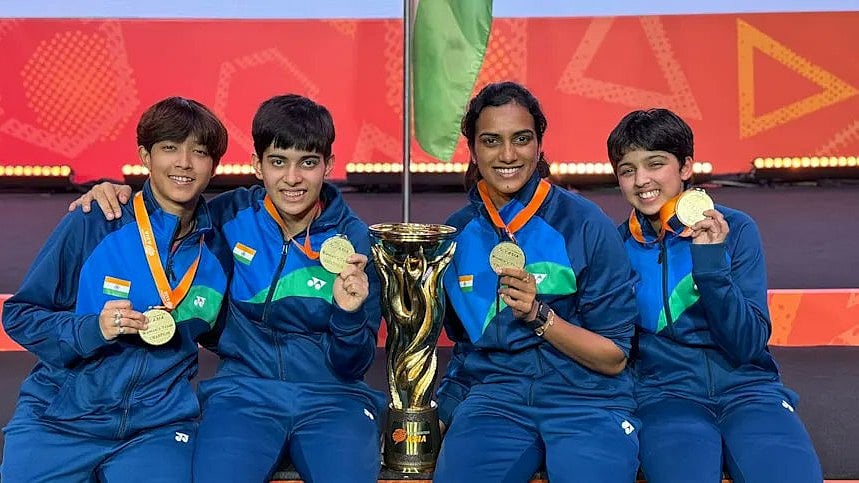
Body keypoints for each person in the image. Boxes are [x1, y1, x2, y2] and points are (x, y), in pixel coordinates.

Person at [68, 94, 385, 483]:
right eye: (277, 162)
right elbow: (163, 214)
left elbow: (354, 363)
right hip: (243, 395)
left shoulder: (356, 241)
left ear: (328, 166)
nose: (292, 179)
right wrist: (111, 192)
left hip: (334, 398)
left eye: (308, 163)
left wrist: (349, 314)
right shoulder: (226, 216)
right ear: (257, 165)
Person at [1, 97, 232, 482]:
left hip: (156, 429)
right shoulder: (97, 221)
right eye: (170, 148)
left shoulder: (219, 248)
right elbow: (20, 314)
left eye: (200, 152)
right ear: (145, 155)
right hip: (61, 418)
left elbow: (237, 336)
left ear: (214, 165)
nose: (184, 163)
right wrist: (93, 329)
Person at [433, 81, 641, 483]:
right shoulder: (455, 235)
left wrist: (539, 315)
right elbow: (465, 347)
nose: (507, 155)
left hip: (588, 401)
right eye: (491, 141)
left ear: (539, 145)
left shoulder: (585, 224)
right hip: (495, 401)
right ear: (473, 150)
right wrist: (443, 410)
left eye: (521, 139)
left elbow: (615, 356)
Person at [607, 108, 823, 482]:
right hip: (665, 399)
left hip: (749, 391)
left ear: (686, 166)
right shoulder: (616, 246)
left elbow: (747, 344)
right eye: (627, 170)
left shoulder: (736, 230)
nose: (641, 180)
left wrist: (709, 264)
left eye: (655, 164)